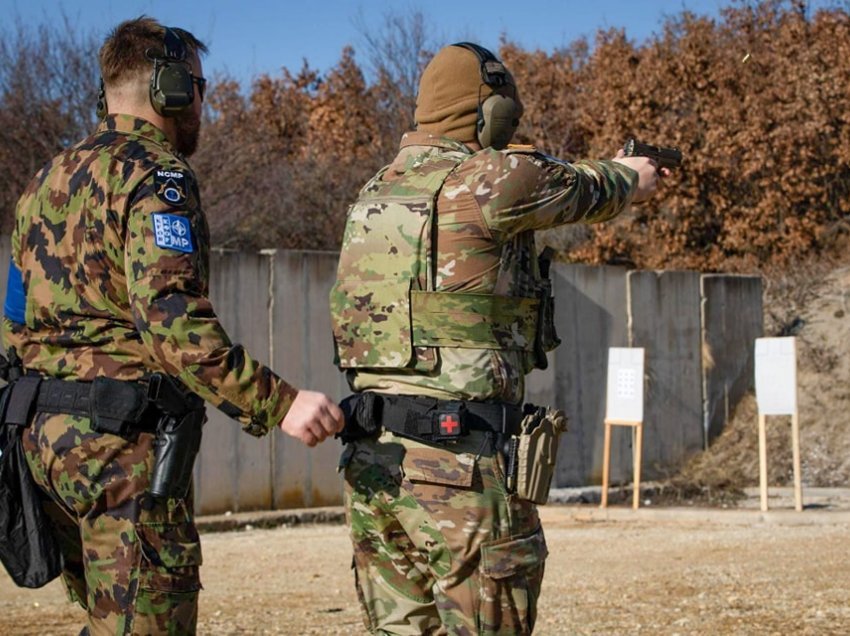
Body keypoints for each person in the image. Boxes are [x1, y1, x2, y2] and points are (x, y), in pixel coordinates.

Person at [1, 16, 343, 634]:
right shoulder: (156, 176)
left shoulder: (42, 182)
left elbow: (13, 322)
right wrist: (282, 404)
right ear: (171, 89)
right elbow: (174, 327)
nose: (204, 104)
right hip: (119, 450)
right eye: (201, 87)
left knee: (111, 620)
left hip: (42, 447)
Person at [330, 42, 663, 634]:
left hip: (372, 465)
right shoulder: (489, 176)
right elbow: (590, 188)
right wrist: (631, 175)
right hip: (459, 468)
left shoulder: (375, 191)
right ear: (490, 112)